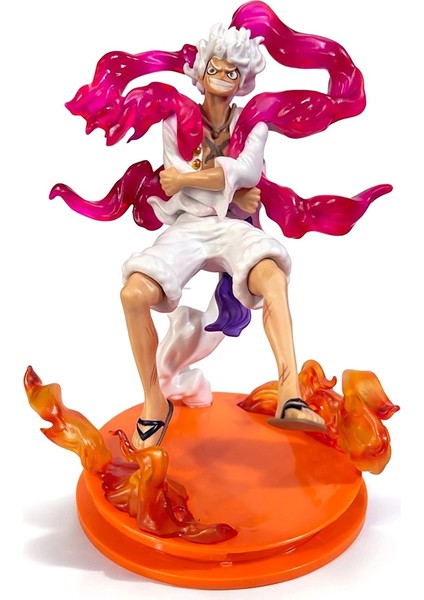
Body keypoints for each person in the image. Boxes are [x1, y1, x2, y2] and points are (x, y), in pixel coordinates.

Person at [50, 2, 391, 449]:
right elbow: (179, 180)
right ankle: (155, 402)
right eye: (216, 67)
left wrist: (201, 183)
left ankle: (290, 393)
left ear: (243, 79)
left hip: (232, 226)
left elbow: (238, 173)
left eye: (233, 72)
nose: (223, 76)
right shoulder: (175, 116)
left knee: (273, 277)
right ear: (202, 70)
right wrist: (223, 188)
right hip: (188, 226)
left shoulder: (254, 122)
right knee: (133, 294)